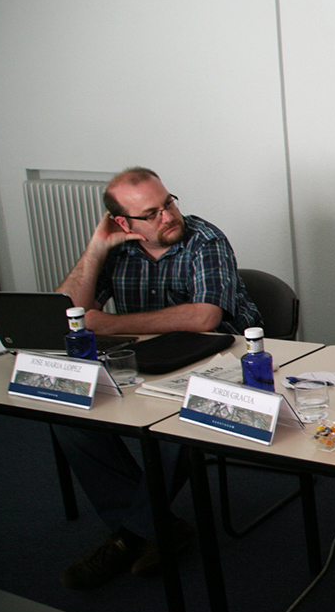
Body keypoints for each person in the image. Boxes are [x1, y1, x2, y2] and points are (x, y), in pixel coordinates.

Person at [54, 167, 262, 590]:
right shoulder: (116, 248)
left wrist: (108, 324)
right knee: (68, 416)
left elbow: (206, 317)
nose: (168, 216)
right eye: (152, 213)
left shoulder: (205, 240)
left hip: (219, 359)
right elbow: (69, 312)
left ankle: (129, 535)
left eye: (169, 202)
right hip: (143, 365)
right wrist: (96, 249)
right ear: (124, 224)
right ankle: (155, 526)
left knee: (177, 427)